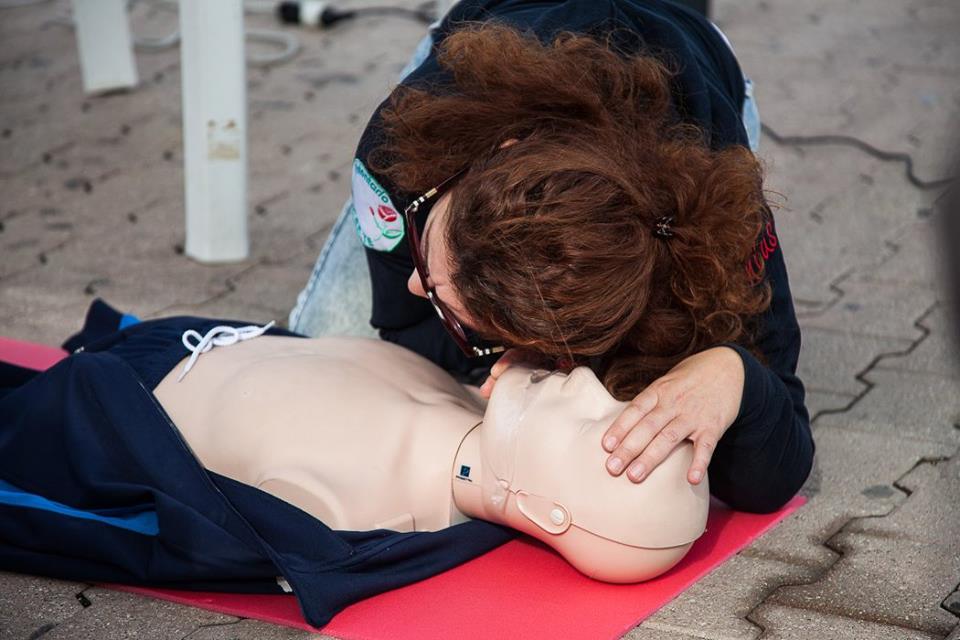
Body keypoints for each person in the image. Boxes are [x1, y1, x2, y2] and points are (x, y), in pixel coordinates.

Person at [290, 0, 813, 513]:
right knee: (324, 385)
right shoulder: (402, 155)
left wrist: (731, 376)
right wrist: (512, 359)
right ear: (502, 150)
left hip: (689, 63)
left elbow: (775, 468)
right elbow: (405, 326)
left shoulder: (712, 196)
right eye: (429, 255)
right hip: (500, 32)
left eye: (432, 278)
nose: (415, 284)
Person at [0, 300, 705, 626]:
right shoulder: (475, 401)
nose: (584, 383)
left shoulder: (344, 512)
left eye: (592, 423)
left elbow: (149, 526)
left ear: (551, 511)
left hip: (101, 407)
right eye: (611, 398)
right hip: (191, 337)